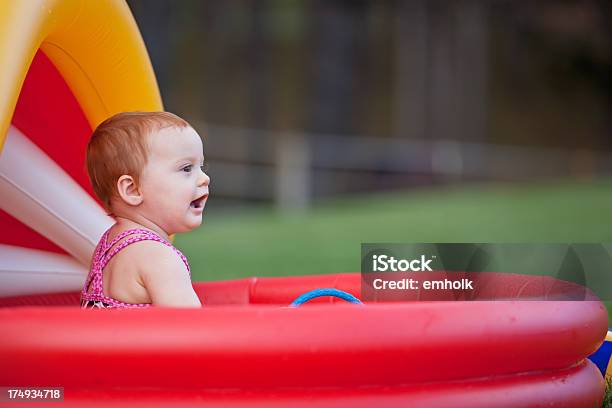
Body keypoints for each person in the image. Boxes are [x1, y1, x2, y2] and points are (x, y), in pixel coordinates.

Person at [80, 111, 209, 308]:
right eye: (186, 168)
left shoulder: (109, 246)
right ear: (132, 189)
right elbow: (195, 331)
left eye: (200, 166)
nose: (204, 178)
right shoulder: (160, 258)